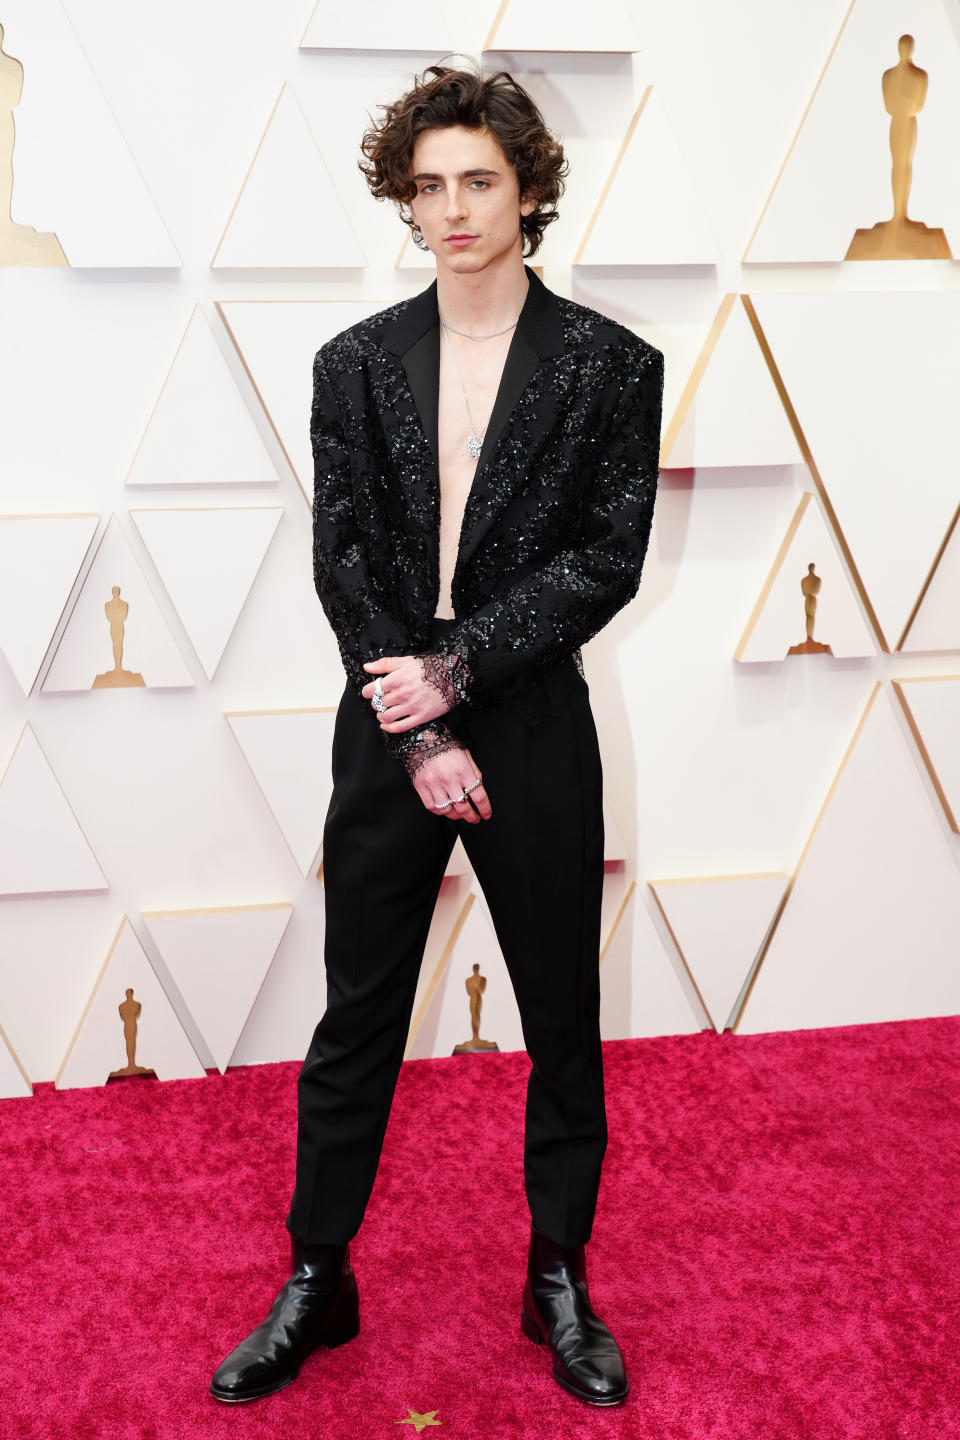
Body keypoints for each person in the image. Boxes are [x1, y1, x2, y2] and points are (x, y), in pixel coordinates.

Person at [210, 62, 664, 1410]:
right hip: (390, 724)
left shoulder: (609, 365)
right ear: (404, 206)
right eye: (428, 187)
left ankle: (559, 1277)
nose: (453, 208)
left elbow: (606, 560)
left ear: (529, 190)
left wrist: (461, 671)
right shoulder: (352, 365)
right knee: (358, 1013)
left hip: (527, 719)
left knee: (561, 1018)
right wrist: (415, 727)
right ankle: (316, 1276)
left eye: (478, 180)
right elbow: (342, 558)